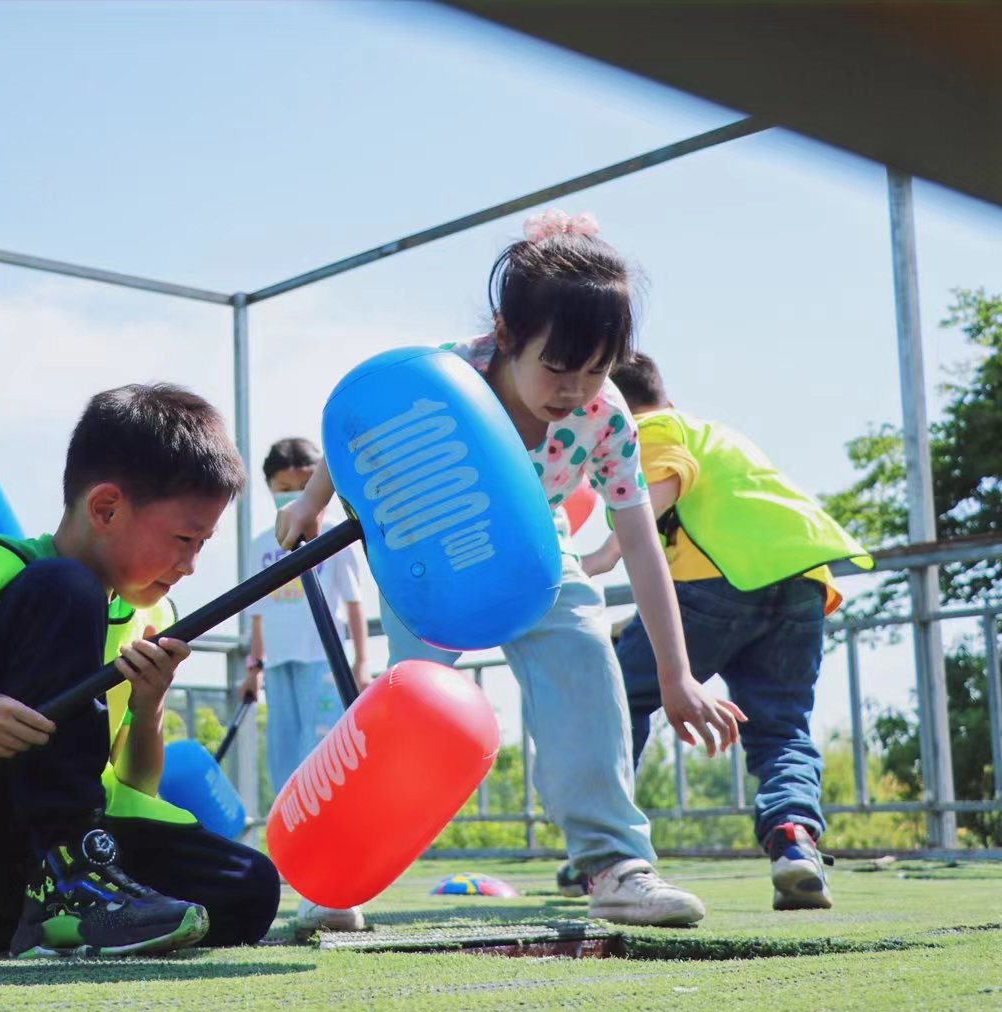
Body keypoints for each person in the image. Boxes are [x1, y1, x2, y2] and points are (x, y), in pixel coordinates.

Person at [277, 208, 745, 928]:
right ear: (505, 335)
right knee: (411, 709)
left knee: (586, 661)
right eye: (557, 366)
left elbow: (640, 542)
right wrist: (310, 502)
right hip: (432, 548)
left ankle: (615, 862)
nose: (574, 389)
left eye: (596, 369)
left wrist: (677, 675)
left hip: (538, 546)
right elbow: (366, 429)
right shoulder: (446, 375)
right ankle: (343, 880)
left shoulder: (606, 416)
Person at [0, 383, 282, 958]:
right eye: (184, 539)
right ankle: (56, 888)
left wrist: (148, 708)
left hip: (47, 837)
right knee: (66, 588)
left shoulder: (150, 618)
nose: (190, 565)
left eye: (202, 544)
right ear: (106, 508)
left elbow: (133, 787)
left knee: (249, 889)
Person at [581, 352, 871, 909]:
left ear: (608, 405)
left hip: (715, 583)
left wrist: (603, 555)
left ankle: (607, 848)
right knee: (782, 728)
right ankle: (793, 838)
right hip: (800, 583)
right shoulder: (719, 436)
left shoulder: (648, 428)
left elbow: (659, 486)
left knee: (614, 698)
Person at [240, 436, 369, 934]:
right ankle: (293, 854)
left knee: (323, 760)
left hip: (324, 662)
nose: (291, 493)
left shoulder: (337, 536)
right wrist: (253, 666)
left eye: (302, 484)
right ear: (269, 487)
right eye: (282, 486)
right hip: (280, 664)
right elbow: (256, 611)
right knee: (284, 760)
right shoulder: (261, 543)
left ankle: (333, 856)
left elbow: (354, 604)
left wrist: (360, 662)